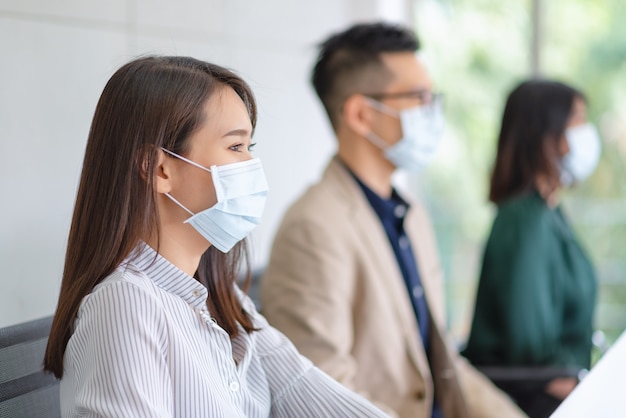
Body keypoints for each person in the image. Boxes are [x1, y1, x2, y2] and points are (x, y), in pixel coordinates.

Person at [43, 56, 389, 417]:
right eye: (236, 147)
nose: (252, 167)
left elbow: (303, 388)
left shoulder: (221, 298)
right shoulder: (125, 305)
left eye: (249, 148)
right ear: (159, 169)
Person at [260, 22, 526, 418]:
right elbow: (324, 393)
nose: (432, 111)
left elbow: (443, 363)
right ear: (362, 114)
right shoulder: (312, 227)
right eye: (419, 97)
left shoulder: (411, 215)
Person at [462, 79, 600, 418]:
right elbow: (533, 355)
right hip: (532, 403)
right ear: (546, 135)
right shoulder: (526, 220)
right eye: (577, 121)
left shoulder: (547, 212)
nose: (586, 134)